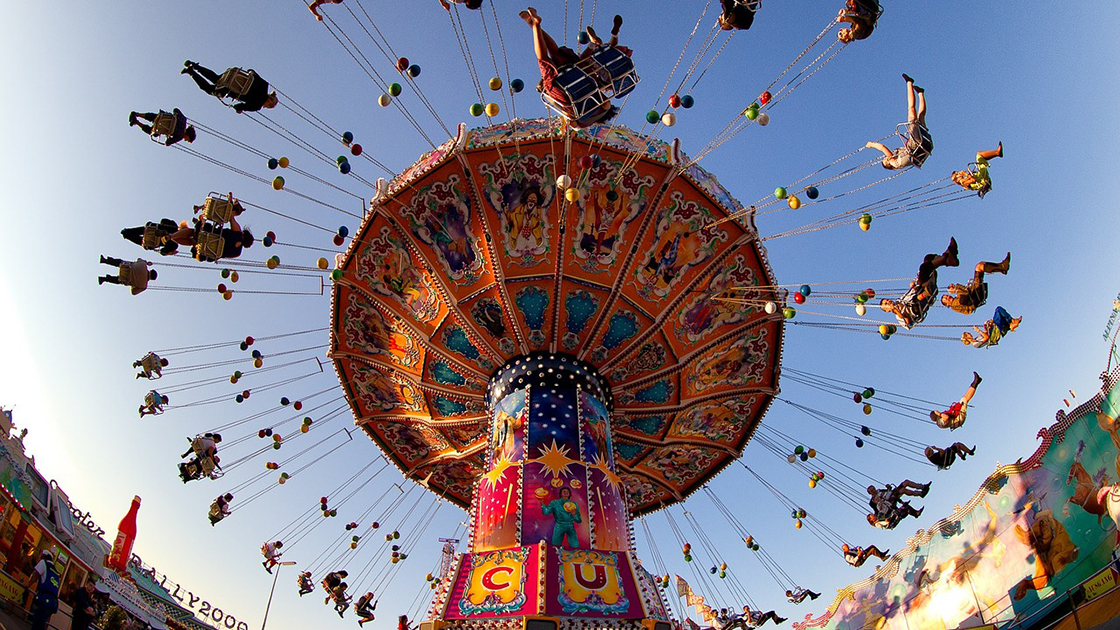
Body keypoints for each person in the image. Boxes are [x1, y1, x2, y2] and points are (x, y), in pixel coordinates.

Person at [521, 7, 621, 126]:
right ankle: (535, 25)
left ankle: (534, 25)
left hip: (576, 74)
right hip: (562, 89)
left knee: (556, 53)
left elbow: (604, 100)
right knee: (543, 59)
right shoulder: (582, 122)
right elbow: (568, 117)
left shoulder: (604, 104)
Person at [879, 238, 958, 329]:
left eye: (886, 300)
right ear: (887, 310)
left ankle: (948, 259)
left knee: (927, 259)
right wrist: (896, 311)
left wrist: (912, 286)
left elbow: (913, 291)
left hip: (922, 287)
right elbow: (908, 322)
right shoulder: (898, 317)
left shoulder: (901, 299)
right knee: (914, 302)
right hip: (920, 304)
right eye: (886, 303)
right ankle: (947, 257)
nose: (888, 302)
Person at [865, 74, 932, 170]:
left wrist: (898, 151)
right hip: (917, 143)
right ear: (888, 163)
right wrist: (871, 144)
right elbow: (882, 147)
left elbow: (905, 154)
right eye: (885, 160)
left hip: (924, 145)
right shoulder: (894, 162)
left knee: (921, 117)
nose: (886, 158)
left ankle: (921, 93)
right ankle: (909, 82)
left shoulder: (900, 162)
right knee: (911, 110)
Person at [182, 62, 278, 113]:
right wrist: (238, 110)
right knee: (209, 89)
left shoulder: (265, 84)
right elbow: (239, 106)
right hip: (229, 89)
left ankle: (194, 66)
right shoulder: (256, 106)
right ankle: (191, 73)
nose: (264, 107)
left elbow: (251, 72)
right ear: (269, 103)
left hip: (235, 76)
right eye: (267, 106)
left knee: (216, 78)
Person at [941, 255, 1011, 315]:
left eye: (946, 296)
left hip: (974, 292)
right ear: (947, 304)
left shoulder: (957, 298)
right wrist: (956, 289)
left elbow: (965, 289)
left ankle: (1002, 268)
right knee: (979, 267)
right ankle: (1002, 267)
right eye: (946, 299)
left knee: (980, 265)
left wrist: (956, 287)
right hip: (975, 296)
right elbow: (966, 294)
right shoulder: (954, 305)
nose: (948, 297)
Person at [169, 215, 255, 262]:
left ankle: (171, 236)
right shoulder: (237, 253)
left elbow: (230, 217)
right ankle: (170, 238)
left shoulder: (238, 233)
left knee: (193, 232)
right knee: (193, 242)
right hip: (208, 250)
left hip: (209, 234)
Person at [28, 550, 60, 630]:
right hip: (52, 602)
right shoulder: (55, 571)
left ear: (43, 556)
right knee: (42, 624)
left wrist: (27, 585)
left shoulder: (44, 563)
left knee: (37, 623)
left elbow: (35, 574)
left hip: (43, 599)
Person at [129, 108, 196, 145]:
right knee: (152, 132)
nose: (185, 140)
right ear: (188, 135)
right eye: (187, 139)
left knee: (155, 117)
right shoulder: (180, 136)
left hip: (164, 118)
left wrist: (175, 117)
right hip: (161, 128)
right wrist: (169, 137)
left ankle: (137, 114)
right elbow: (168, 143)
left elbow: (175, 109)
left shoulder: (183, 119)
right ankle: (136, 122)